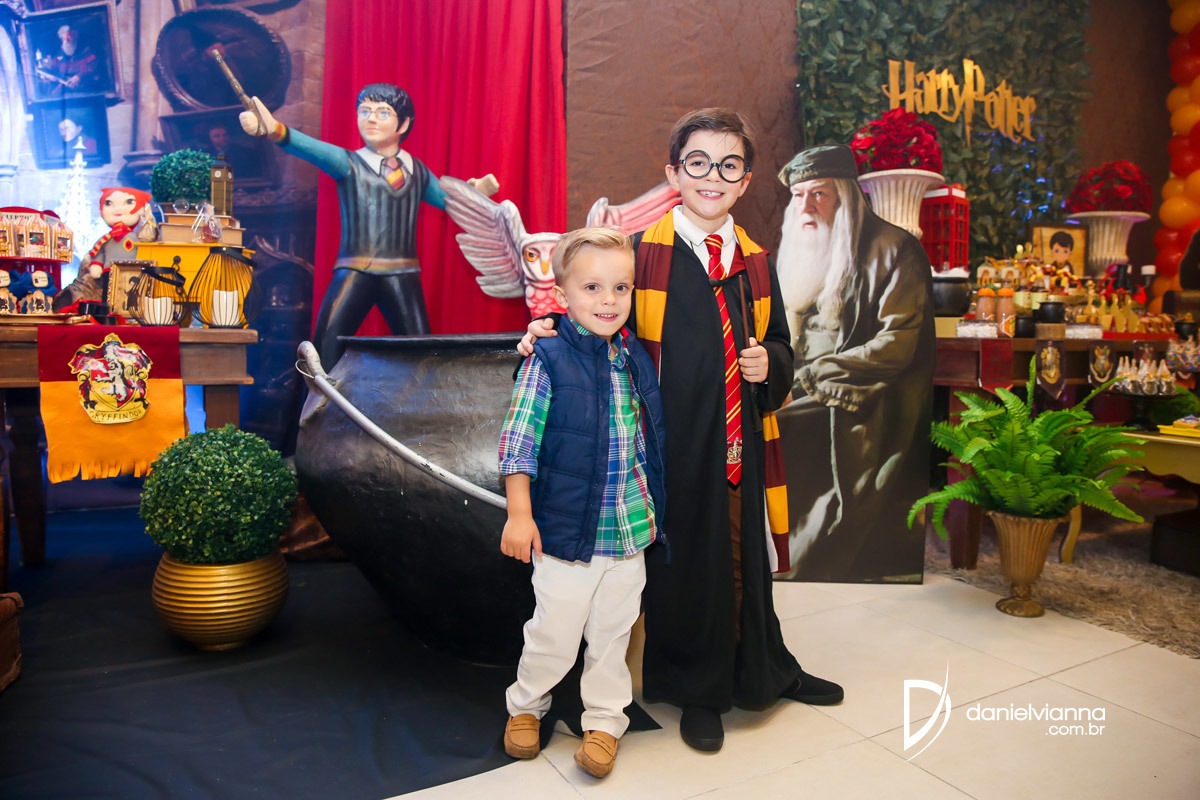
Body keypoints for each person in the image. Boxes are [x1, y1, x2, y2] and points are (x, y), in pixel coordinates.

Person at [520, 109, 842, 753]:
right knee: (688, 565)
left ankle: (765, 666)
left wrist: (771, 363)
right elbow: (590, 313)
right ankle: (700, 689)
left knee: (742, 556)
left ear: (745, 180)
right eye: (698, 162)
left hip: (740, 438)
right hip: (667, 444)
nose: (712, 176)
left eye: (728, 165)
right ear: (674, 174)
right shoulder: (641, 255)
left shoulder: (756, 261)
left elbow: (782, 342)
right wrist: (542, 333)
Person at [498, 227, 667, 779]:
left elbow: (647, 441)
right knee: (554, 631)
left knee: (613, 637)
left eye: (621, 287)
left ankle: (605, 721)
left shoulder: (635, 357)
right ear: (562, 294)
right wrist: (519, 514)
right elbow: (518, 440)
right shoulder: (546, 357)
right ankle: (527, 706)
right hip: (567, 532)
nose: (608, 300)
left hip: (630, 529)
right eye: (592, 287)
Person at [238, 83, 498, 366]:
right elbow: (313, 149)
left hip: (402, 274)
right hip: (355, 270)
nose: (371, 119)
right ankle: (317, 396)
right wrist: (274, 129)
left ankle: (422, 397)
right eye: (364, 111)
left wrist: (473, 194)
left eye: (383, 113)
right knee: (324, 350)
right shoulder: (348, 162)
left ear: (404, 123)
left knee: (421, 353)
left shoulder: (418, 171)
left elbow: (448, 200)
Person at [774, 144, 934, 582]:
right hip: (802, 382)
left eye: (818, 194)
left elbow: (895, 345)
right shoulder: (804, 248)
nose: (805, 207)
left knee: (776, 427)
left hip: (862, 390)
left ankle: (797, 552)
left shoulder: (896, 249)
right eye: (798, 195)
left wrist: (808, 378)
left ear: (845, 196)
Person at [54, 187, 156, 311]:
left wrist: (148, 217)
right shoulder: (106, 240)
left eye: (129, 202)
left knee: (130, 295)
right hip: (108, 272)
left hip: (131, 271)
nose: (118, 209)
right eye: (109, 203)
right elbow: (99, 253)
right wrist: (96, 265)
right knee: (107, 297)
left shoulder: (134, 238)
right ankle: (107, 312)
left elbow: (148, 239)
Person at [37, 24, 101, 96]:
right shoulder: (59, 56)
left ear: (76, 36)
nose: (66, 41)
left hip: (85, 91)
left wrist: (79, 76)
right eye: (64, 39)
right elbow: (54, 71)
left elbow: (93, 69)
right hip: (65, 93)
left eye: (69, 38)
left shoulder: (87, 52)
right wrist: (50, 77)